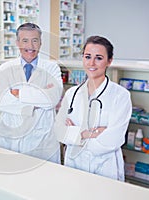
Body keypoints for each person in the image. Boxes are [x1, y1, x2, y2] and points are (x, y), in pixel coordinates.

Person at [54, 36, 132, 180]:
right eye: (88, 56)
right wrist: (89, 133)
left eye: (99, 58)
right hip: (74, 163)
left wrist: (75, 135)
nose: (91, 63)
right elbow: (59, 132)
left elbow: (113, 139)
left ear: (109, 61)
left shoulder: (120, 95)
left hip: (105, 167)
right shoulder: (72, 93)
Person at [0, 23, 63, 163]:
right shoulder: (4, 69)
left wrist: (18, 94)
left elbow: (52, 99)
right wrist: (37, 101)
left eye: (35, 40)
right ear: (17, 42)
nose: (30, 46)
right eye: (25, 40)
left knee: (43, 182)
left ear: (40, 43)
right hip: (11, 137)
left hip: (43, 140)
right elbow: (3, 103)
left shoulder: (52, 68)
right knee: (9, 180)